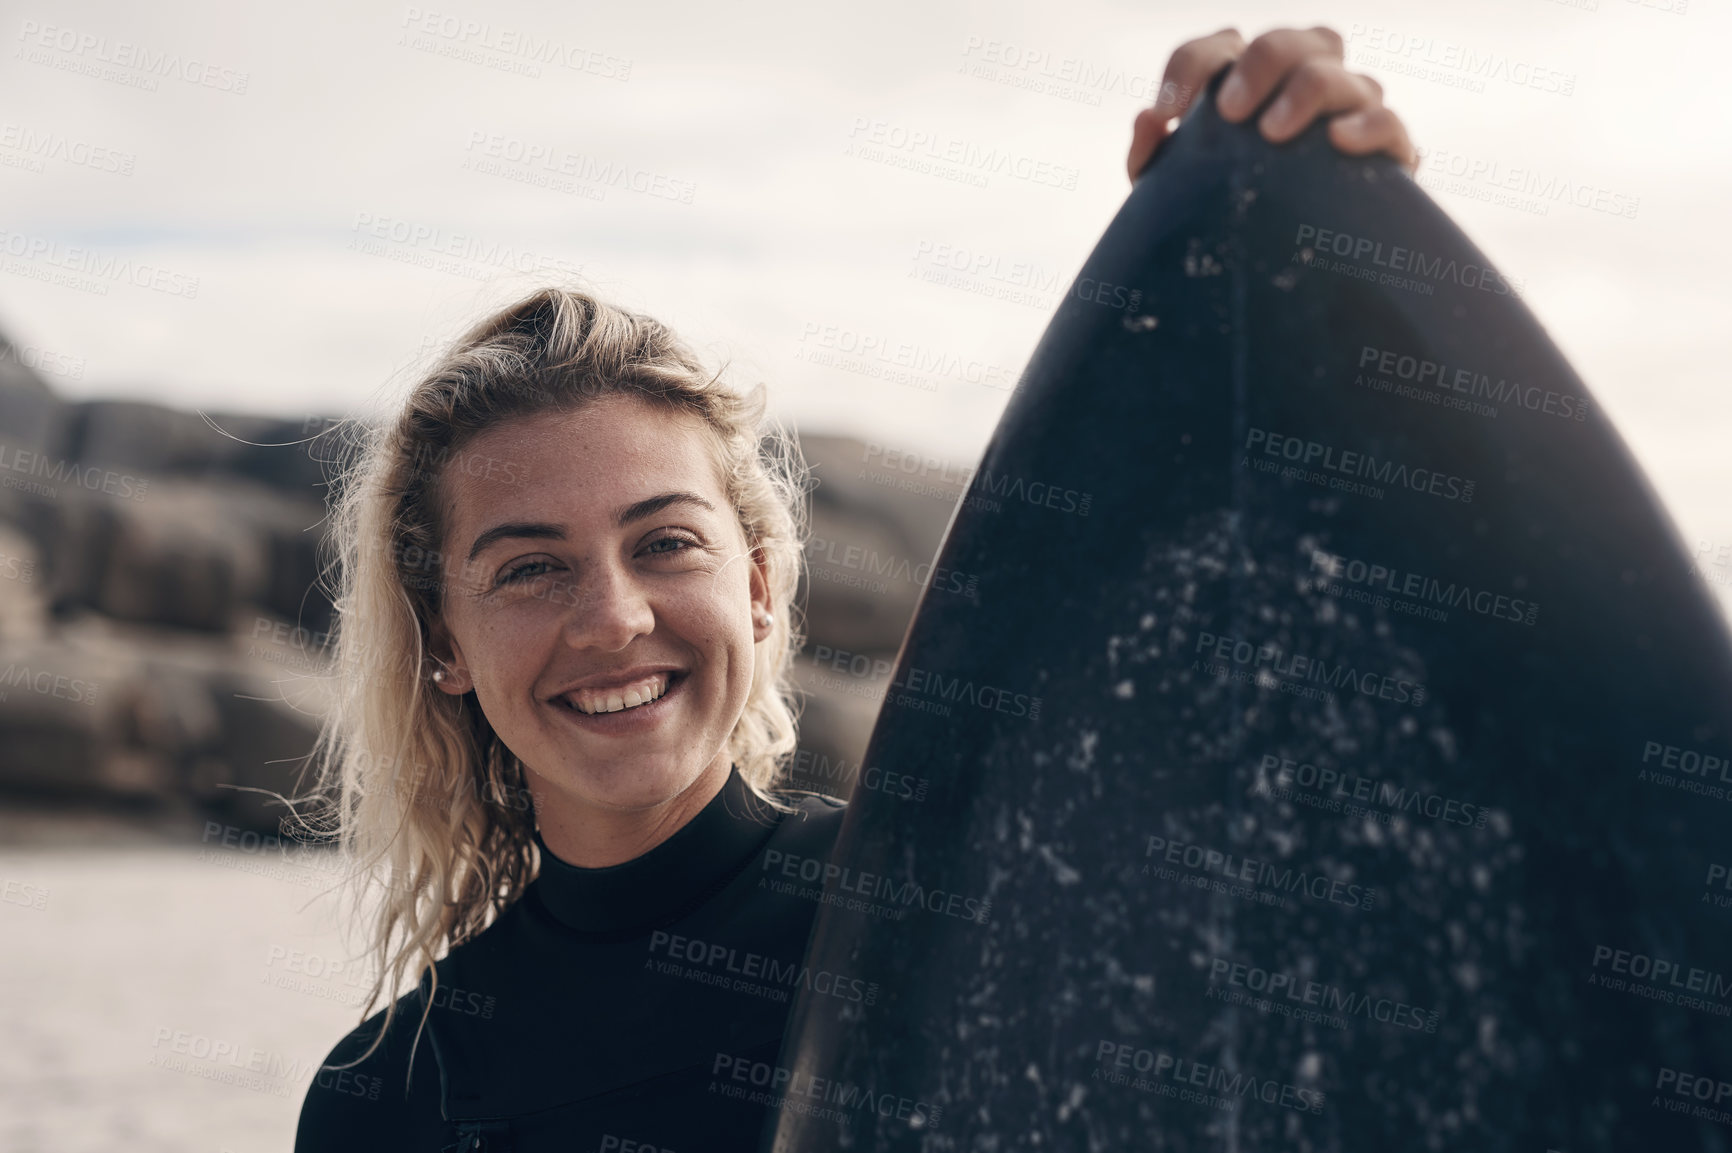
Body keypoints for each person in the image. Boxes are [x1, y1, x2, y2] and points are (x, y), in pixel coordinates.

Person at [292, 26, 1418, 1152]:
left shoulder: (962, 910)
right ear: (441, 638)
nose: (614, 617)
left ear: (763, 587)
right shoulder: (385, 1102)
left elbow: (1342, 949)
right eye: (530, 568)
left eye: (666, 543)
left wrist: (1314, 267)